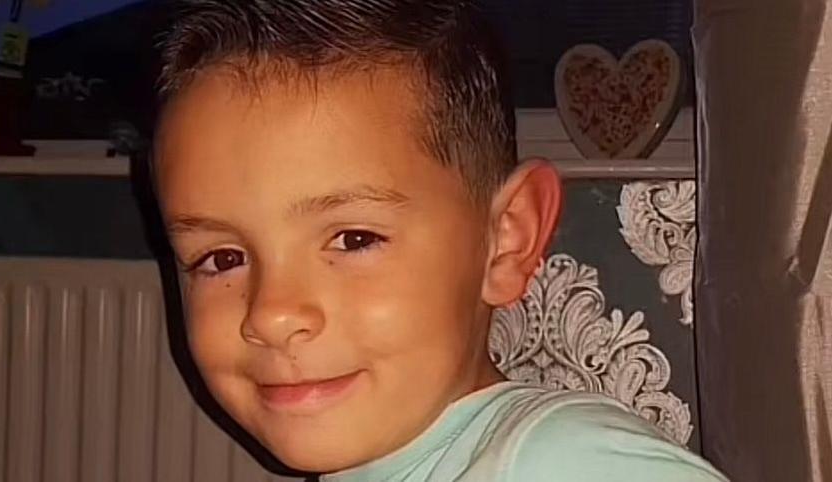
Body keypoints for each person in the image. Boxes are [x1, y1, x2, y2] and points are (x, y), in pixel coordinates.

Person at [152, 1, 727, 480]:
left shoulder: (566, 463)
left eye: (354, 238)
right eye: (221, 258)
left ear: (506, 239)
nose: (272, 315)